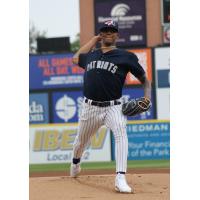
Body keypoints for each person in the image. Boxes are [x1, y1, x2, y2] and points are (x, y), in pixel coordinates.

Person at [70, 20, 151, 193]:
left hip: (114, 106)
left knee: (121, 133)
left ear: (117, 35)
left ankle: (120, 178)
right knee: (80, 142)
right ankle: (75, 163)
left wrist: (147, 98)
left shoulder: (126, 56)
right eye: (105, 30)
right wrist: (93, 40)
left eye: (111, 30)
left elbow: (145, 80)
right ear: (101, 34)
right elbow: (75, 58)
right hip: (90, 108)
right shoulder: (92, 55)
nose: (108, 33)